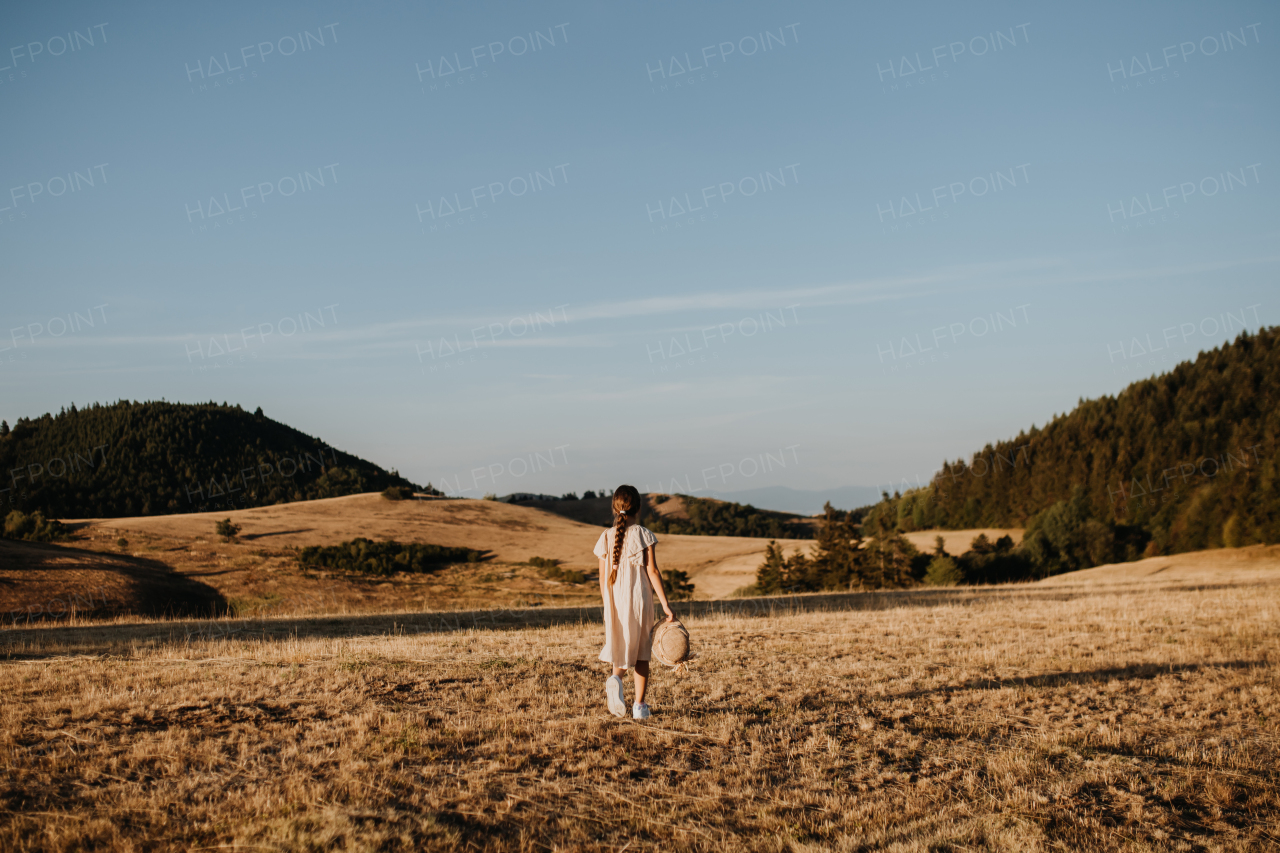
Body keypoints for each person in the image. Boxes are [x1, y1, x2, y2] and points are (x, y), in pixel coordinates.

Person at [593, 484, 675, 719]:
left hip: (614, 603)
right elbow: (653, 572)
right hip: (639, 600)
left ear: (614, 508)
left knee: (619, 645)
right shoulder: (643, 534)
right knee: (641, 652)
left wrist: (608, 605)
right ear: (638, 509)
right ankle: (639, 706)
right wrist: (666, 605)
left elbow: (602, 578)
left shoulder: (605, 537)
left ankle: (615, 678)